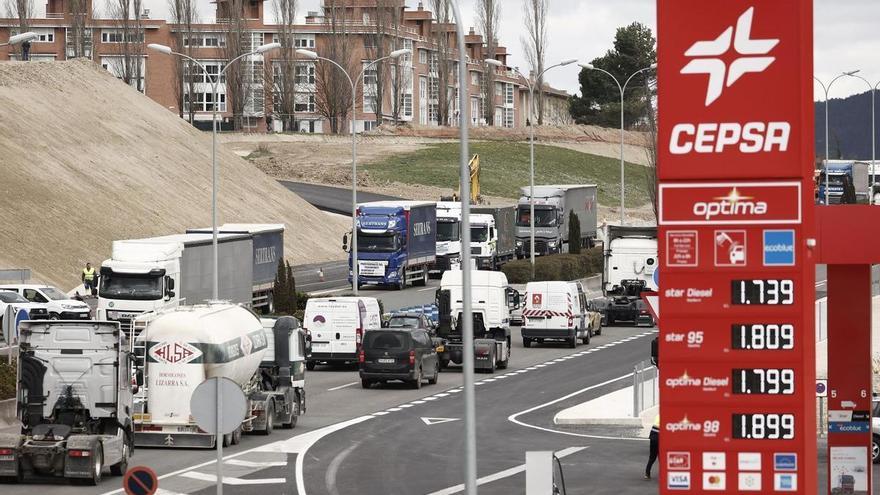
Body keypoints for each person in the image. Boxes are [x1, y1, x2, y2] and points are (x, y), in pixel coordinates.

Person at [645, 413, 660, 479]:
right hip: (660, 437)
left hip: (653, 436)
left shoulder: (658, 415)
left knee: (652, 457)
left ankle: (647, 473)